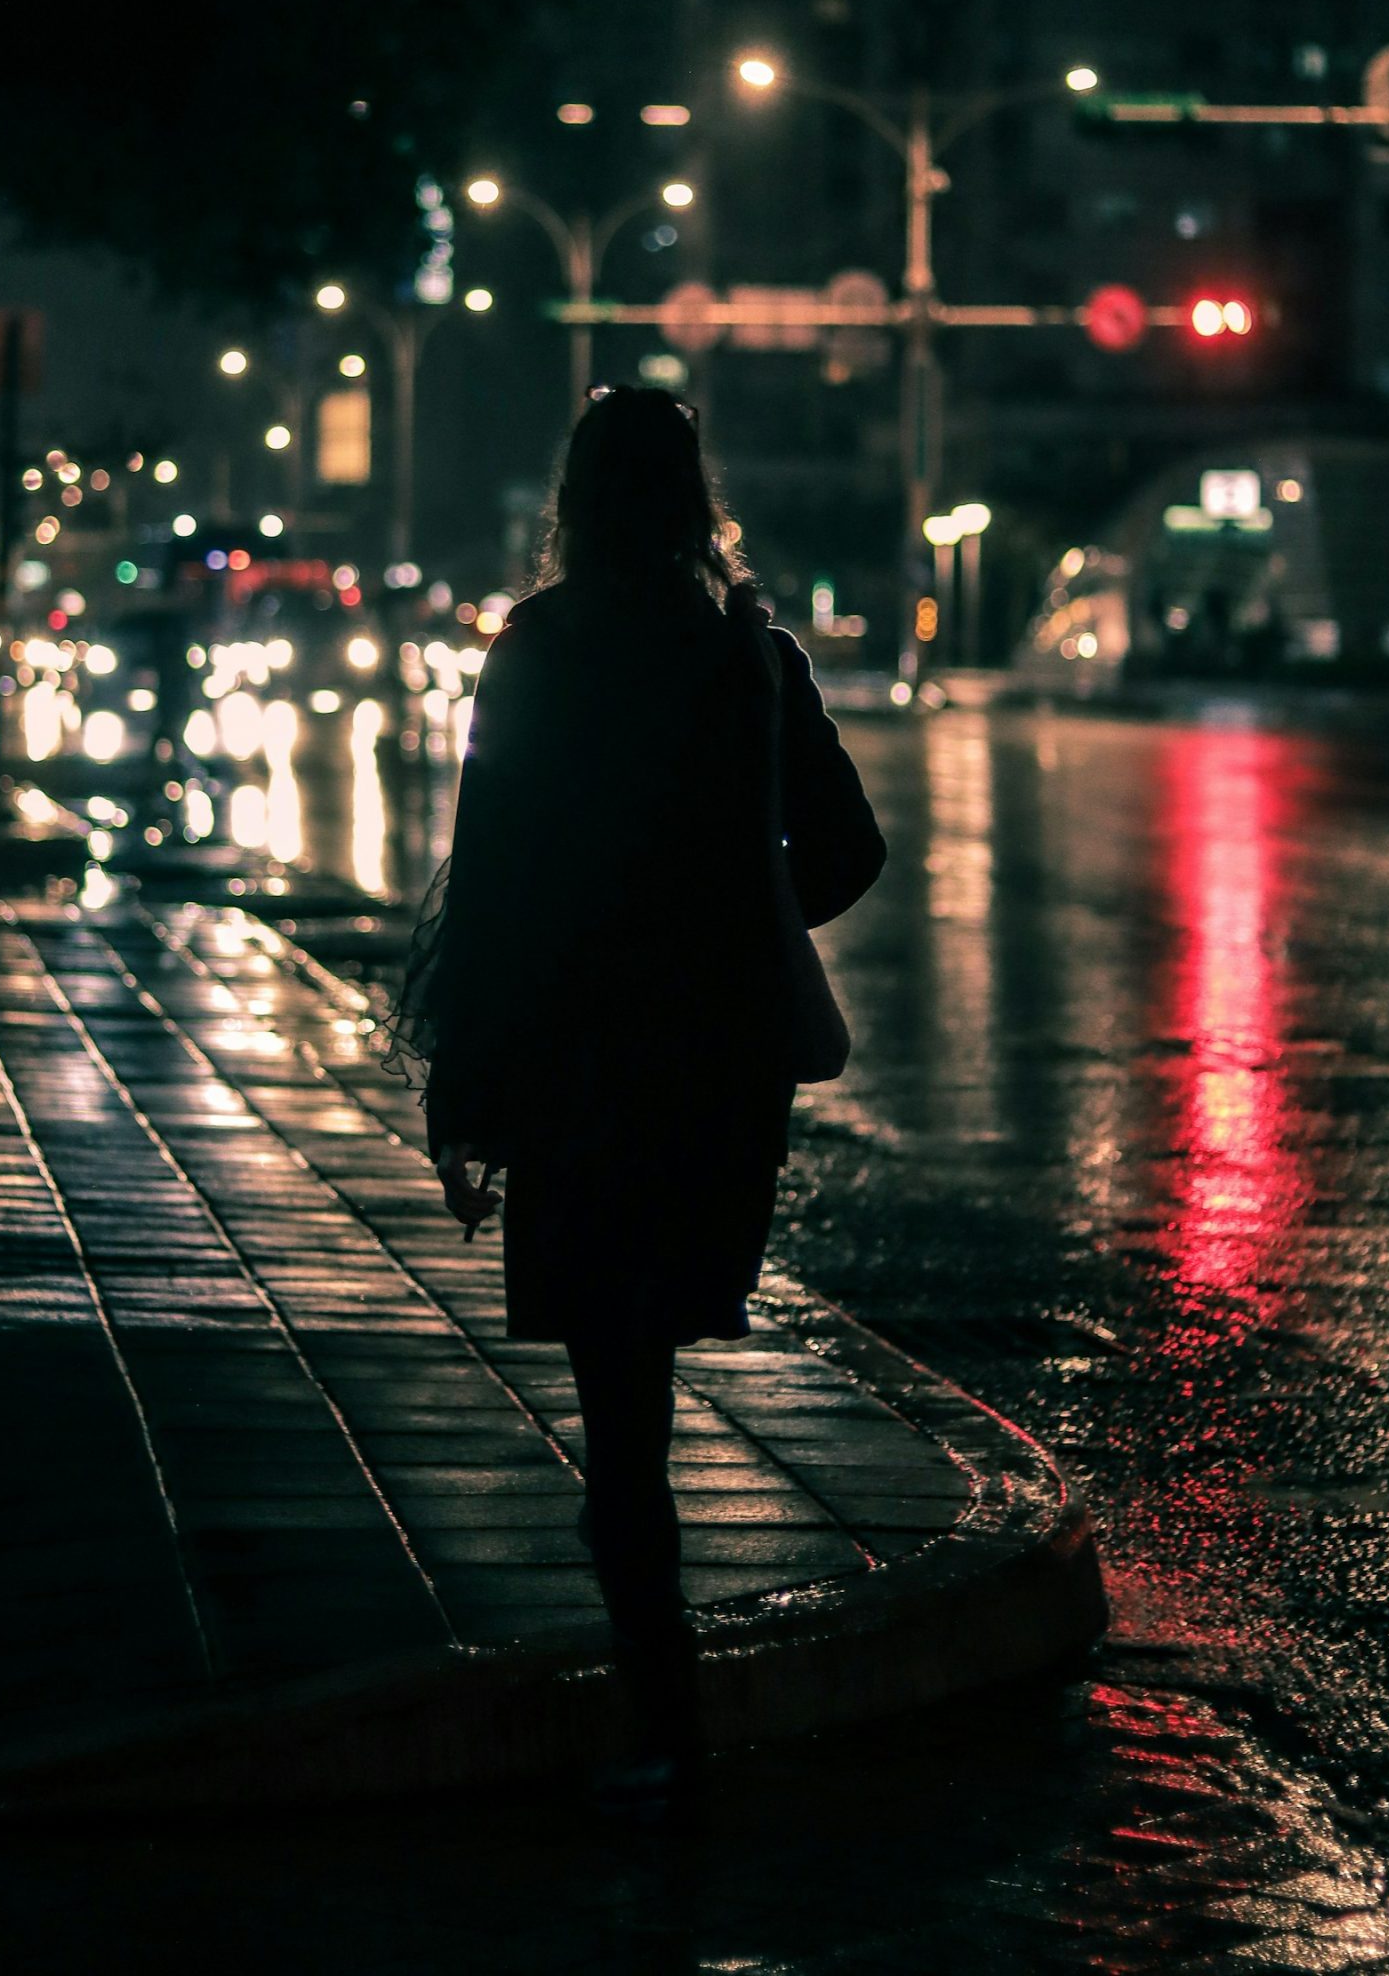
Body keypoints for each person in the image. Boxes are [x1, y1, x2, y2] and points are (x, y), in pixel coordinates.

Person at [389, 385, 884, 1814]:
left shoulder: (537, 649)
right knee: (655, 1356)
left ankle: (658, 1711)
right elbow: (849, 851)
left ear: (574, 501)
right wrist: (743, 915)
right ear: (694, 499)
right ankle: (664, 1721)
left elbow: (487, 880)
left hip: (573, 1060)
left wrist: (466, 1091)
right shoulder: (748, 655)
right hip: (713, 1074)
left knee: (618, 1402)